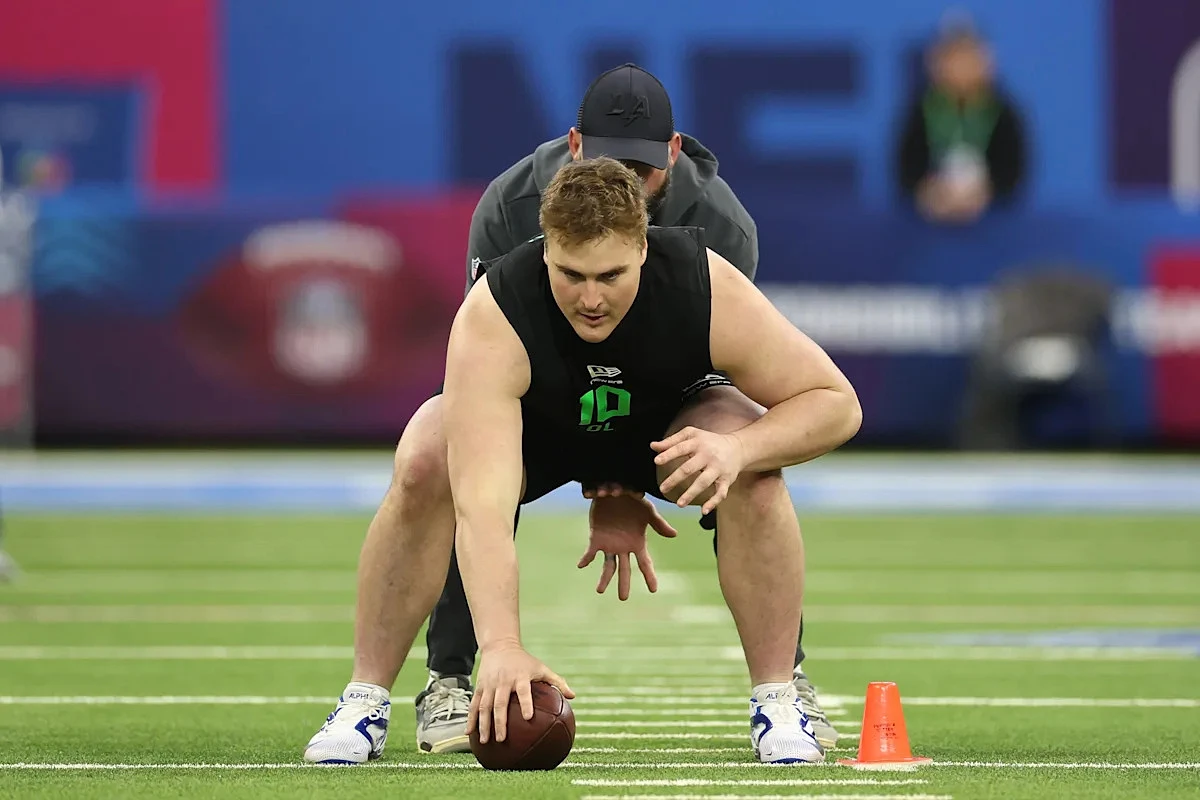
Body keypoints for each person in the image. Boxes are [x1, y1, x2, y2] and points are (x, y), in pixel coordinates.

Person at [302, 62, 839, 765]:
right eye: (570, 274)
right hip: (540, 405)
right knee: (432, 452)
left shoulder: (712, 257)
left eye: (610, 275)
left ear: (646, 243)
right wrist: (503, 645)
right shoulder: (499, 286)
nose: (590, 297)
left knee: (749, 454)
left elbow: (831, 400)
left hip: (667, 405)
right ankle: (379, 696)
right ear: (543, 243)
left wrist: (727, 454)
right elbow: (483, 489)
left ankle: (780, 693)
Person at [895, 15, 1028, 225]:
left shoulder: (1003, 113)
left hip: (994, 226)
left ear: (985, 62)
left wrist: (985, 195)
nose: (960, 67)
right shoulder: (919, 112)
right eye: (953, 58)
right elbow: (905, 172)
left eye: (968, 57)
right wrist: (929, 194)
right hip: (926, 227)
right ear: (936, 63)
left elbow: (1014, 174)